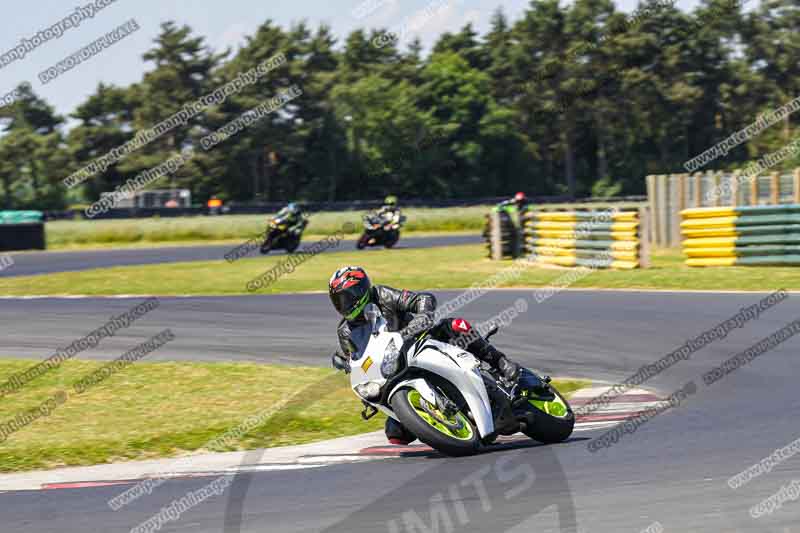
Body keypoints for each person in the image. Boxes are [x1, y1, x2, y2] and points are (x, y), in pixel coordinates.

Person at [328, 266, 521, 445]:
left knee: (455, 326)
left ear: (361, 291)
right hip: (393, 371)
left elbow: (422, 299)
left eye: (347, 298)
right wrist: (348, 366)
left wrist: (421, 317)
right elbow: (357, 361)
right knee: (396, 435)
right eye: (338, 300)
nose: (343, 305)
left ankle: (500, 362)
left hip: (419, 341)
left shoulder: (382, 295)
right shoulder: (345, 331)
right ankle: (446, 422)